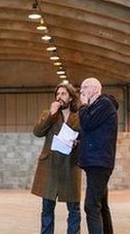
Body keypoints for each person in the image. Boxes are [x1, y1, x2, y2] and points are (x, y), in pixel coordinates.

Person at [32, 83, 81, 234]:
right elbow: (38, 132)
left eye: (63, 94)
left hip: (70, 165)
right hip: (50, 165)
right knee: (47, 207)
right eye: (58, 94)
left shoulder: (79, 116)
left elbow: (86, 136)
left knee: (74, 208)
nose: (59, 97)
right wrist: (51, 114)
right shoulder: (49, 114)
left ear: (71, 97)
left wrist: (78, 142)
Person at [79, 78, 118, 234]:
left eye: (84, 87)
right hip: (97, 161)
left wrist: (83, 106)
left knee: (91, 206)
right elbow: (92, 131)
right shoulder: (98, 106)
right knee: (101, 205)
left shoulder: (103, 104)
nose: (81, 91)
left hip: (99, 163)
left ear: (95, 89)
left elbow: (86, 123)